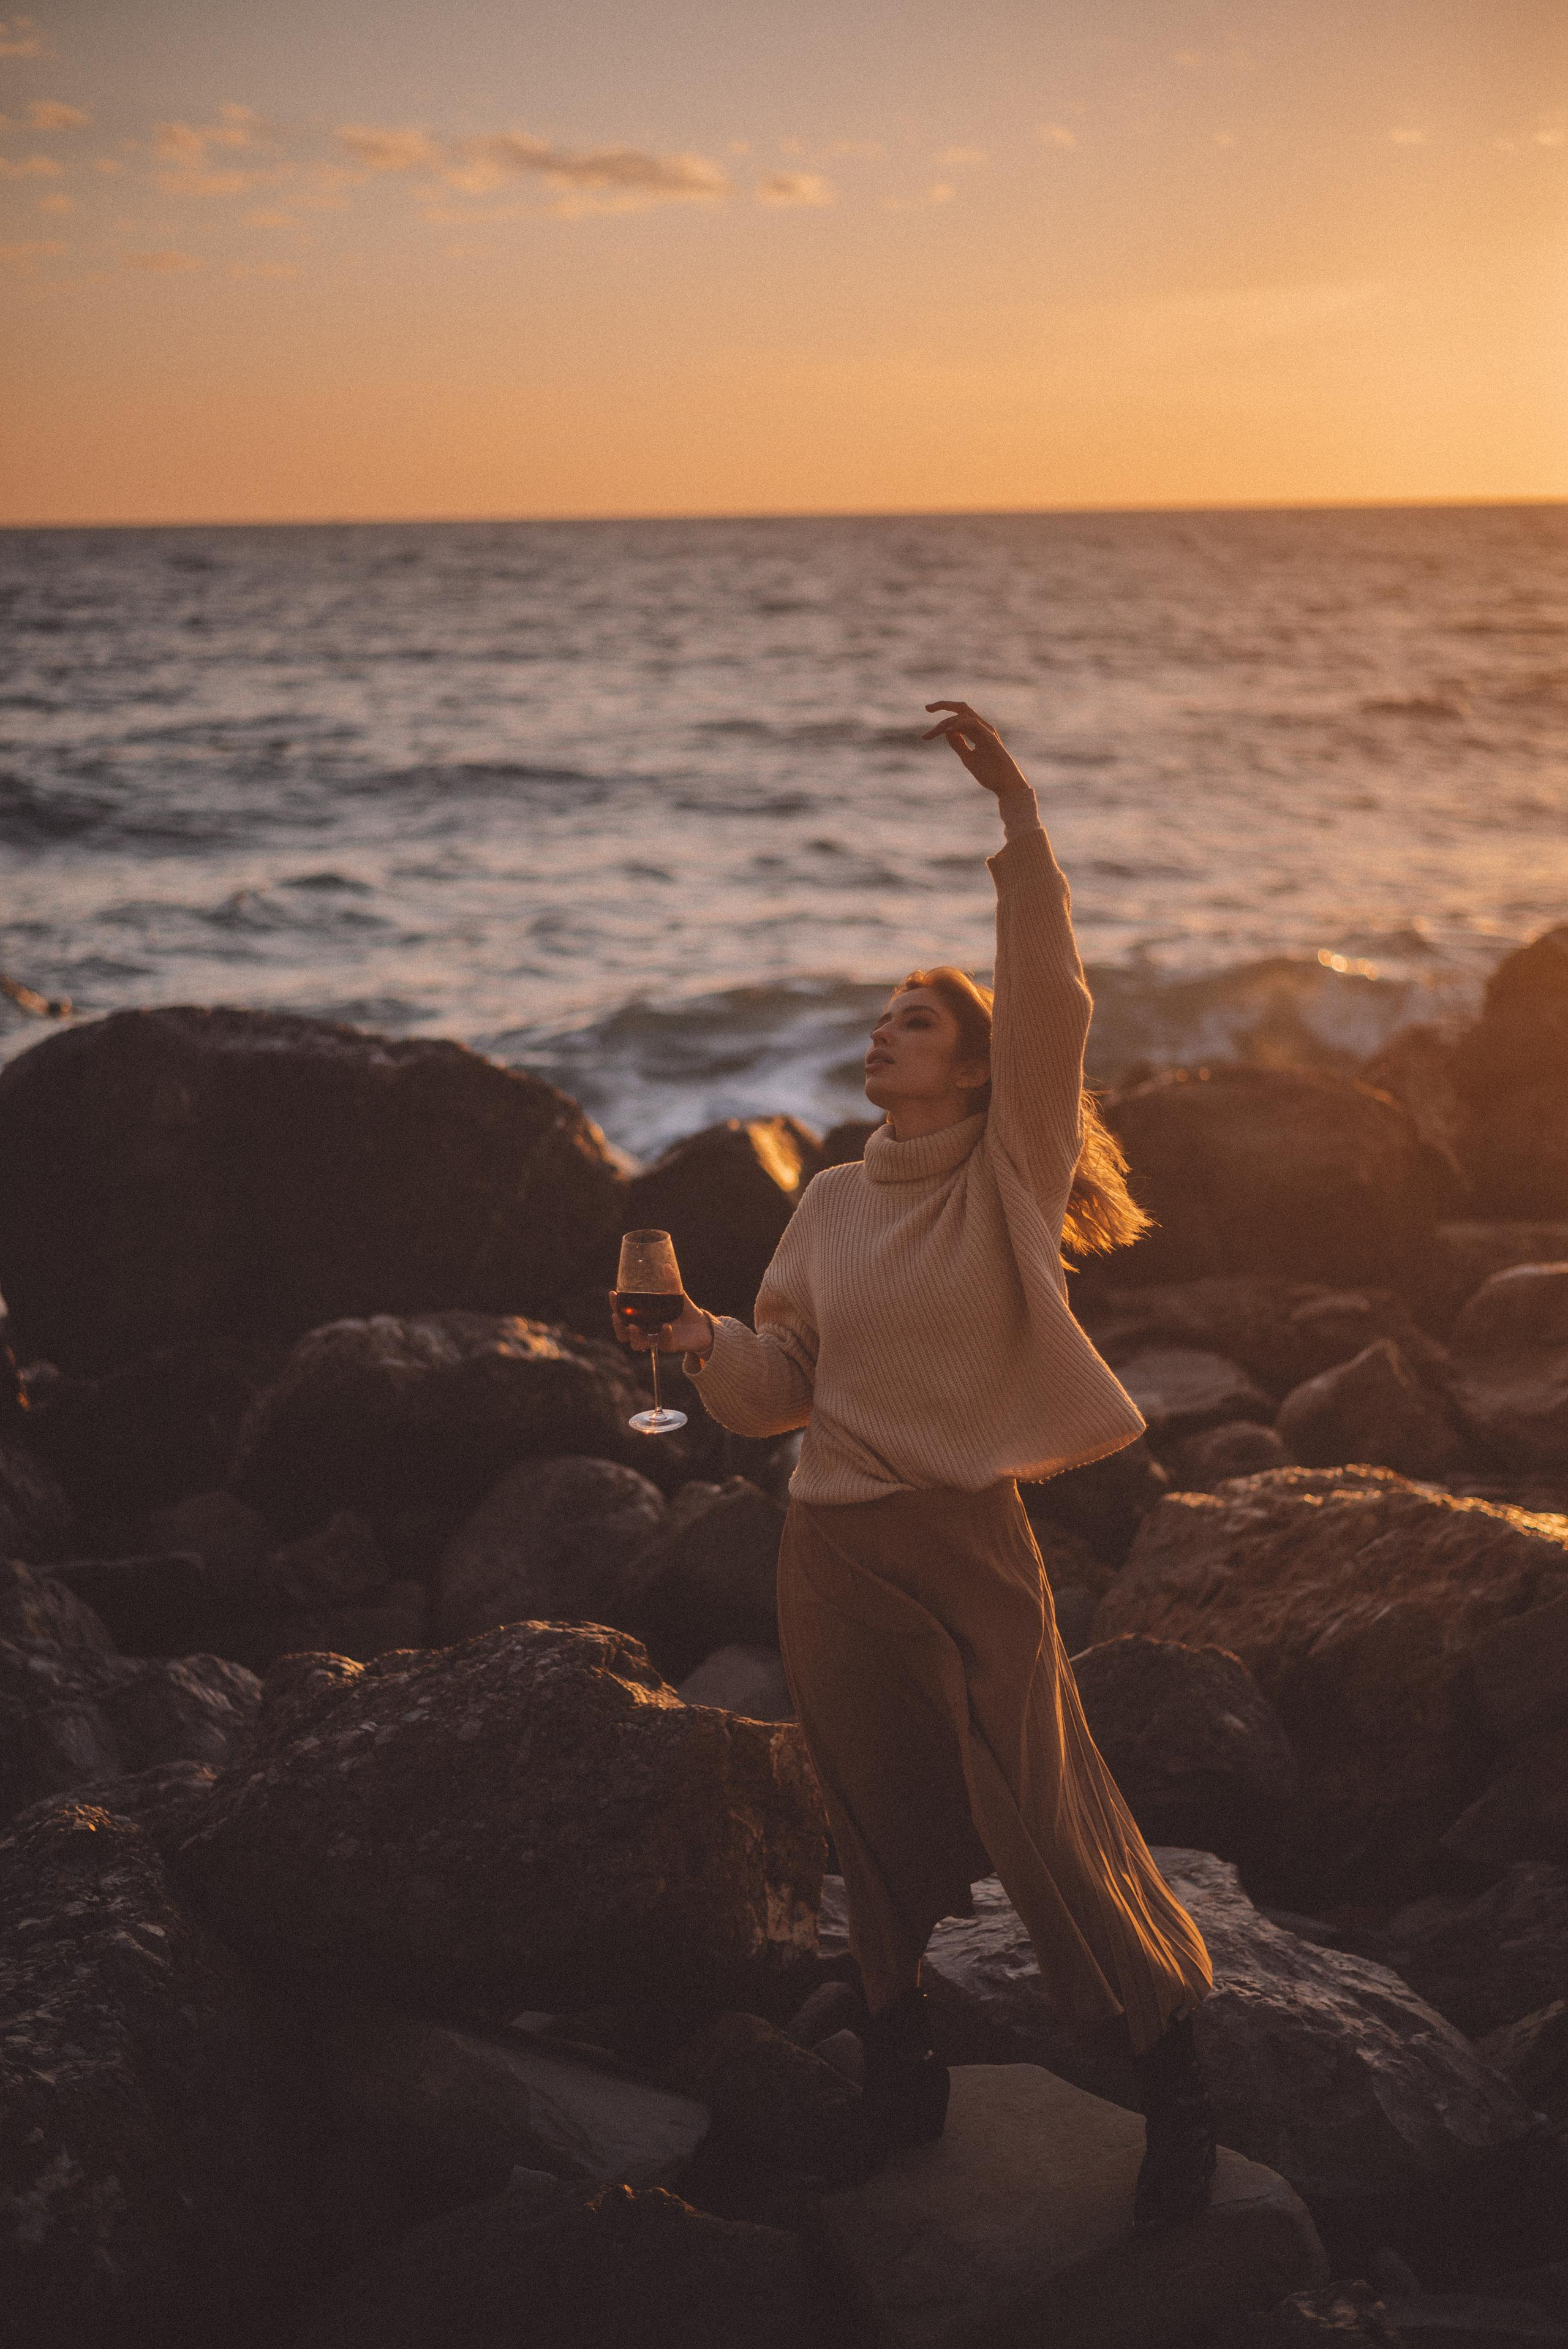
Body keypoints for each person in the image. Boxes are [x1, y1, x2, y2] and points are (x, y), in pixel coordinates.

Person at [611, 701, 1216, 2229]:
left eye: (919, 1019)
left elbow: (1052, 999)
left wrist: (1015, 820)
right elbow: (778, 1397)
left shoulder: (1009, 1177)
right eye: (882, 1014)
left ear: (973, 1070)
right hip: (828, 1549)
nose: (886, 1029)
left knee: (1041, 1815)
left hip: (965, 1542)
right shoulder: (825, 1204)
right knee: (868, 1833)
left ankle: (1175, 2068)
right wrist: (695, 1345)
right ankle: (901, 2082)